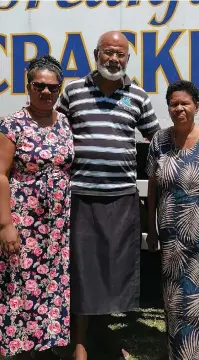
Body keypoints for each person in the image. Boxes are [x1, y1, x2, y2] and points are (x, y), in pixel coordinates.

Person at [56, 30, 160, 360]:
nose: (114, 59)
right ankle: (81, 342)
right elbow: (51, 129)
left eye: (121, 54)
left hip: (121, 197)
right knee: (84, 269)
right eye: (108, 52)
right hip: (81, 197)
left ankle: (103, 332)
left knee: (116, 270)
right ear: (96, 53)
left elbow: (158, 138)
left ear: (127, 58)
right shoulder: (73, 92)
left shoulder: (139, 97)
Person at [146, 79, 199, 360]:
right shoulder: (159, 140)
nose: (179, 108)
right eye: (174, 103)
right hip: (172, 236)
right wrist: (153, 229)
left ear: (196, 106)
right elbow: (153, 187)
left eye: (185, 103)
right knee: (176, 297)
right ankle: (181, 352)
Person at [0, 55, 74, 359]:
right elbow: (0, 175)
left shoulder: (65, 122)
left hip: (57, 225)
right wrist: (5, 224)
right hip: (24, 221)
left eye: (52, 88)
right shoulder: (13, 124)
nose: (46, 92)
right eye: (39, 86)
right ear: (28, 86)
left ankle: (47, 345)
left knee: (51, 283)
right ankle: (20, 347)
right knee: (20, 284)